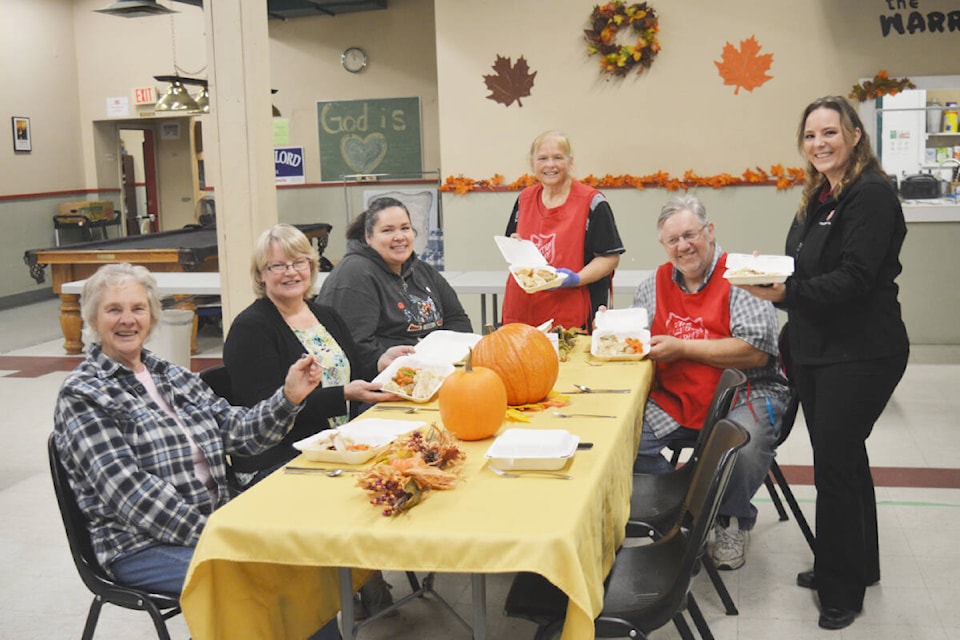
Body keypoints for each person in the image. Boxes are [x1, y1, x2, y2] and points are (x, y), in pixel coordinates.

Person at [739, 95, 908, 631]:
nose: (819, 144)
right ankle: (859, 564)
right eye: (811, 136)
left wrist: (784, 294)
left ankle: (842, 590)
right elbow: (805, 265)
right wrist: (773, 276)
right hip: (818, 348)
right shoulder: (822, 194)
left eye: (830, 132)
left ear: (855, 134)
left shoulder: (872, 196)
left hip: (860, 351)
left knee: (834, 466)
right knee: (846, 460)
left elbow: (856, 277)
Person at [52, 263, 322, 598]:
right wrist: (220, 533)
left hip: (215, 521)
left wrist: (288, 397)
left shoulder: (171, 375)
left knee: (305, 552)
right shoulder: (83, 394)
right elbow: (133, 496)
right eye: (113, 310)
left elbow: (238, 433)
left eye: (138, 308)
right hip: (139, 545)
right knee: (263, 577)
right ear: (93, 320)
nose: (127, 319)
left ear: (151, 317)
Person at [632, 194, 790, 572]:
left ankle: (730, 519)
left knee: (744, 447)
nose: (683, 246)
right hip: (676, 395)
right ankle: (688, 509)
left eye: (690, 234)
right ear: (663, 245)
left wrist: (683, 346)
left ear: (710, 231)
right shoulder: (651, 286)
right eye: (673, 240)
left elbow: (756, 352)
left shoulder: (740, 277)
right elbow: (640, 346)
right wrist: (615, 331)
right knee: (621, 443)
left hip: (747, 391)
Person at [223, 223, 410, 485]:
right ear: (260, 275)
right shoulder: (251, 329)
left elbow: (352, 372)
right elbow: (265, 411)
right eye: (278, 265)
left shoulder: (325, 315)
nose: (291, 272)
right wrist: (342, 394)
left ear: (311, 268)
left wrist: (382, 362)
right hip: (281, 459)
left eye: (299, 262)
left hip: (336, 447)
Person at [317, 197, 473, 364]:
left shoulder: (421, 269)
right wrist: (417, 355)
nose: (399, 237)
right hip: (385, 379)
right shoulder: (355, 274)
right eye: (388, 230)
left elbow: (458, 320)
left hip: (438, 369)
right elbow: (355, 346)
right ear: (368, 237)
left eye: (405, 228)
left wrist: (443, 354)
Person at [501, 130, 625, 331]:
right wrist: (515, 245)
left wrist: (576, 279)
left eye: (557, 158)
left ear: (570, 162)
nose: (550, 165)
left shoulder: (592, 203)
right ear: (533, 163)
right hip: (523, 309)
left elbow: (610, 258)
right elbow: (512, 241)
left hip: (571, 312)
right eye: (542, 158)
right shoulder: (524, 199)